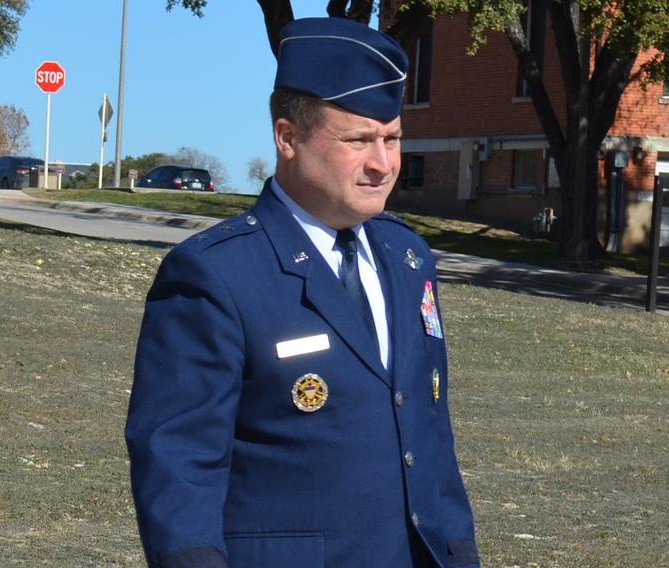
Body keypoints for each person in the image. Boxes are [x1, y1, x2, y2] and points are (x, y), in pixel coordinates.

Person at [125, 17, 480, 568]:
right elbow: (178, 464)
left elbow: (430, 439)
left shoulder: (408, 258)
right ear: (288, 138)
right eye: (358, 140)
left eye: (392, 140)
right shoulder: (216, 274)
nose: (382, 164)